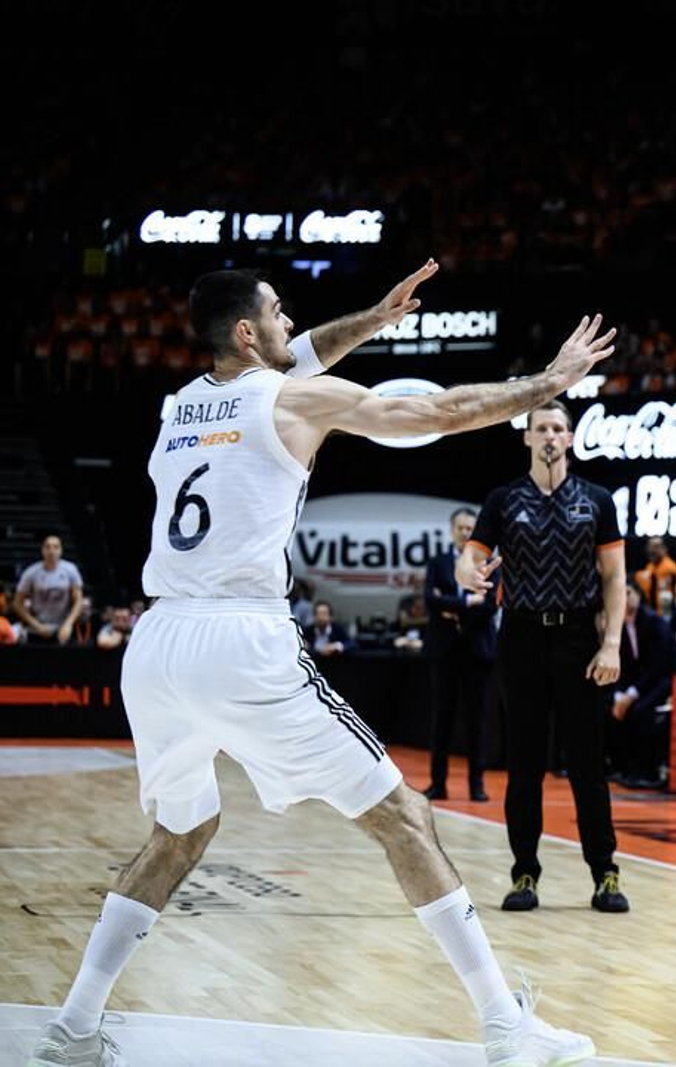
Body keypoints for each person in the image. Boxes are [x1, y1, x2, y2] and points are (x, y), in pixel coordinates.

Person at [30, 263, 611, 1067]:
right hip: (241, 639)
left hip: (158, 644)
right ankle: (504, 1023)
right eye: (276, 311)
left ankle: (74, 1025)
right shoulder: (289, 399)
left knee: (179, 831)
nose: (289, 322)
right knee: (403, 815)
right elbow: (436, 411)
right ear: (246, 332)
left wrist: (373, 318)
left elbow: (299, 352)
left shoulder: (179, 408)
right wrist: (546, 381)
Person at [456, 399, 630, 917]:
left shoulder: (596, 500)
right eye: (541, 428)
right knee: (525, 765)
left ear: (571, 438)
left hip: (579, 638)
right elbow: (474, 554)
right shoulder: (504, 499)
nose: (550, 435)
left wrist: (612, 643)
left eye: (558, 428)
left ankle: (605, 873)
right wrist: (469, 570)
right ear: (528, 438)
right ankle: (524, 872)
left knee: (586, 767)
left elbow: (615, 577)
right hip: (523, 638)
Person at [423, 506, 498, 803]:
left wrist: (451, 606)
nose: (466, 533)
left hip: (477, 651)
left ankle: (476, 785)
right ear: (452, 529)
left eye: (471, 528)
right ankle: (437, 783)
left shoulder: (489, 563)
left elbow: (491, 604)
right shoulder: (438, 562)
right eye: (461, 528)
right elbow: (430, 600)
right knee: (441, 718)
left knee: (476, 720)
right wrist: (469, 602)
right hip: (444, 650)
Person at [609, 584, 675, 788]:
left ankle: (645, 772)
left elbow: (658, 665)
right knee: (610, 710)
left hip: (662, 680)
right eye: (622, 593)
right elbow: (623, 663)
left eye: (629, 592)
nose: (625, 597)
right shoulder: (618, 624)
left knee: (639, 711)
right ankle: (623, 768)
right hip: (636, 682)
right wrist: (619, 694)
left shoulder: (654, 622)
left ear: (640, 595)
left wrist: (631, 694)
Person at [16, 534, 84, 644]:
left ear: (61, 550)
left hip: (63, 627)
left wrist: (68, 624)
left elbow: (78, 600)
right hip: (38, 628)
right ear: (42, 550)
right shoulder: (31, 573)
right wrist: (36, 625)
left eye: (55, 547)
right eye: (47, 547)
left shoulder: (71, 570)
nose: (51, 551)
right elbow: (17, 603)